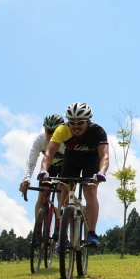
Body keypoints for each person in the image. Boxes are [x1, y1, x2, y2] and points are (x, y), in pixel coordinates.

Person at [38, 102, 109, 247]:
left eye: (80, 122)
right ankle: (63, 237)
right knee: (63, 192)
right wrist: (44, 170)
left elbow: (105, 156)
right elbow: (48, 154)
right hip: (71, 159)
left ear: (88, 121)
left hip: (91, 160)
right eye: (72, 122)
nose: (76, 126)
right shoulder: (62, 130)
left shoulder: (97, 131)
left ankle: (91, 233)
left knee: (89, 190)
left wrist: (101, 172)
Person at [18, 114, 67, 239]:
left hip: (64, 167)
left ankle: (60, 228)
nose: (49, 135)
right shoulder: (40, 140)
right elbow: (31, 162)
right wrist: (26, 179)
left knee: (61, 193)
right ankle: (38, 230)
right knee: (42, 194)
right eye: (47, 131)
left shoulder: (66, 142)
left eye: (53, 132)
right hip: (49, 167)